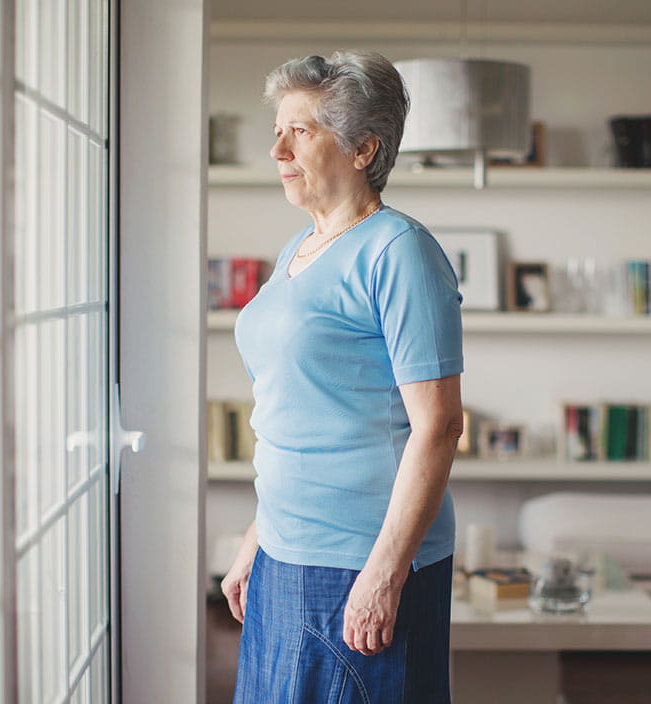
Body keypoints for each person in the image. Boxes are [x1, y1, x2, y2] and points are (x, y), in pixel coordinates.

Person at [222, 51, 464, 703]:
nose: (277, 148)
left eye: (299, 131)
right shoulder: (297, 249)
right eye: (278, 129)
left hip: (362, 559)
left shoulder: (399, 250)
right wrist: (258, 537)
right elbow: (295, 410)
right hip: (285, 551)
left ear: (363, 149)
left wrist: (385, 572)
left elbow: (438, 426)